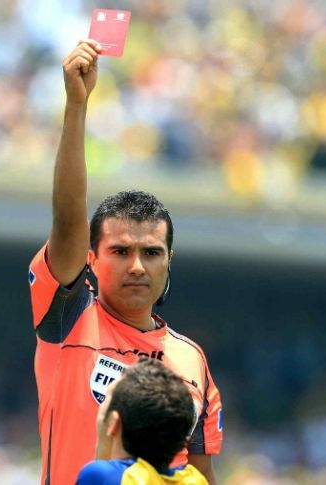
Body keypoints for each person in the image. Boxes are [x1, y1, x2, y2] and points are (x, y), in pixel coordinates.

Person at [28, 39, 223, 485]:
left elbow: (201, 472)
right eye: (120, 251)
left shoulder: (191, 360)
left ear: (169, 261)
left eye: (151, 253)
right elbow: (69, 219)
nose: (137, 265)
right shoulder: (68, 317)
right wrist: (77, 106)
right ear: (92, 258)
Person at [76, 357, 209, 484]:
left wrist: (104, 447)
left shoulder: (101, 475)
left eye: (109, 397)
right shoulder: (195, 480)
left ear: (113, 422)